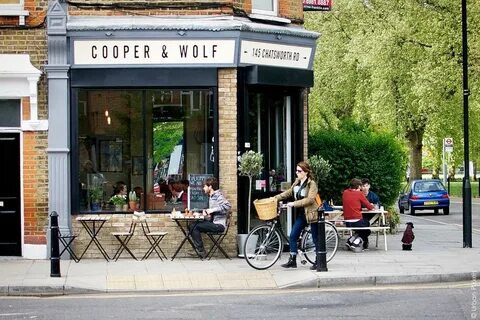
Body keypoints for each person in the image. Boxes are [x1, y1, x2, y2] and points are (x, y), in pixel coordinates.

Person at [274, 161, 319, 269]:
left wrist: (294, 204)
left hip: (311, 214)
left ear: (306, 172)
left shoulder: (312, 184)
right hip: (302, 214)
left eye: (299, 171)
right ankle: (292, 260)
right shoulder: (297, 182)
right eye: (296, 170)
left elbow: (310, 200)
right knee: (293, 235)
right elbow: (288, 192)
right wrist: (275, 198)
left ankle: (319, 260)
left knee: (315, 238)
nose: (297, 173)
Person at [189, 177, 231, 259]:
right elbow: (213, 214)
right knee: (192, 225)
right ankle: (200, 250)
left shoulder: (218, 195)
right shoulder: (211, 197)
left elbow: (227, 206)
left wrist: (212, 210)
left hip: (219, 225)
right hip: (213, 222)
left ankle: (201, 251)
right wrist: (204, 214)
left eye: (204, 186)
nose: (203, 188)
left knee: (195, 226)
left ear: (210, 186)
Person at [343, 178, 374, 250]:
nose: (361, 188)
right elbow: (369, 206)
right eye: (360, 186)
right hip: (356, 221)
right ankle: (356, 243)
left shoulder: (345, 192)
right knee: (367, 229)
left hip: (347, 222)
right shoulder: (359, 194)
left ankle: (350, 240)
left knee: (362, 229)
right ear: (358, 186)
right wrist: (372, 205)